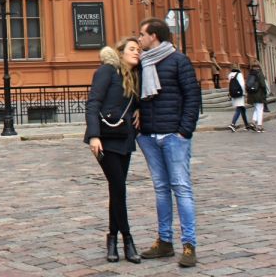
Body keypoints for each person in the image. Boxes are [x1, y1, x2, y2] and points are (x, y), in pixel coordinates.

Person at [136, 17, 200, 268]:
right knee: (161, 189)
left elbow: (192, 96)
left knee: (181, 188)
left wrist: (184, 131)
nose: (139, 39)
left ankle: (189, 245)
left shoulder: (178, 60)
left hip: (174, 135)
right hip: (149, 136)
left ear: (154, 36)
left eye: (142, 34)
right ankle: (164, 241)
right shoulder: (142, 62)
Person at [84, 37, 142, 264]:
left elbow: (137, 102)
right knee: (119, 188)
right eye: (132, 49)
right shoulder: (107, 71)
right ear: (120, 52)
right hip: (105, 140)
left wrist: (140, 110)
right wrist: (94, 135)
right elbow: (93, 103)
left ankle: (112, 240)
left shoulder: (135, 76)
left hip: (124, 138)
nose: (136, 52)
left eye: (139, 49)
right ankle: (127, 239)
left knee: (116, 190)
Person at [227, 64, 251, 131]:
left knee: (242, 109)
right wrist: (244, 93)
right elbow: (242, 84)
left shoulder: (230, 75)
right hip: (239, 94)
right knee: (239, 109)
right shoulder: (239, 74)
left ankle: (247, 125)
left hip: (233, 94)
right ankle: (233, 124)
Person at [246, 65, 268, 132]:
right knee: (260, 109)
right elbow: (263, 84)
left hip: (252, 94)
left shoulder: (250, 73)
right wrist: (265, 92)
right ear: (259, 67)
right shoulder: (259, 73)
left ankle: (253, 123)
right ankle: (259, 126)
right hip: (259, 94)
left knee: (256, 108)